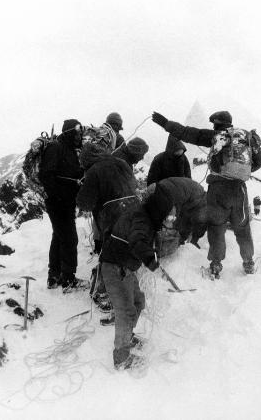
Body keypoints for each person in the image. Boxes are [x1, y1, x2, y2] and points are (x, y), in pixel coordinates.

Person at [151, 110, 261, 278]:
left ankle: (216, 266)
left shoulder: (216, 136)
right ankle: (248, 262)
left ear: (217, 124)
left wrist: (165, 123)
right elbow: (260, 161)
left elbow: (187, 132)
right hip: (239, 189)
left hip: (218, 188)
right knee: (242, 227)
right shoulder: (246, 138)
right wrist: (243, 172)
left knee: (216, 226)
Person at [99, 189, 174, 370]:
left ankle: (127, 336)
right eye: (169, 216)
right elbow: (137, 240)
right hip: (114, 267)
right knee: (126, 311)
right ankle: (121, 358)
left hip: (123, 266)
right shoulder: (142, 220)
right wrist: (151, 262)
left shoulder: (144, 215)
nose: (171, 220)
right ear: (159, 211)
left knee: (138, 301)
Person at [76, 142, 139, 310]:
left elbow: (85, 203)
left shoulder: (93, 171)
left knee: (110, 256)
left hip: (112, 216)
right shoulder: (122, 163)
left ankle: (107, 294)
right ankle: (128, 286)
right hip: (135, 211)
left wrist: (83, 187)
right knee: (126, 249)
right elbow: (134, 184)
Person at [39, 119, 85, 290]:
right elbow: (46, 174)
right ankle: (68, 278)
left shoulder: (70, 150)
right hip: (58, 203)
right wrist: (57, 196)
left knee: (59, 236)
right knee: (70, 239)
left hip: (65, 201)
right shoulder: (56, 147)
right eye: (78, 132)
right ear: (70, 133)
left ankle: (54, 275)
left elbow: (70, 171)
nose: (80, 135)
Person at [148, 177, 207, 246]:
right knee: (178, 221)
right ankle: (178, 241)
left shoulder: (166, 192)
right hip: (188, 195)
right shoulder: (166, 193)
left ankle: (186, 243)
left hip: (194, 198)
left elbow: (174, 216)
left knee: (186, 222)